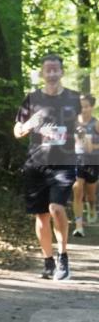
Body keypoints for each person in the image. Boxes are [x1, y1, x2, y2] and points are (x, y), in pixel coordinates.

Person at [13, 54, 80, 280]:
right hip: (36, 164)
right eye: (47, 70)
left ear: (61, 72)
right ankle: (48, 260)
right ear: (42, 73)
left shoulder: (74, 98)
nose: (51, 74)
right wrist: (30, 125)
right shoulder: (32, 99)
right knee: (41, 217)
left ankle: (63, 257)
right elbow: (17, 131)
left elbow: (85, 128)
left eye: (55, 70)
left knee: (56, 209)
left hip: (64, 163)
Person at [72, 93, 98, 237]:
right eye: (81, 107)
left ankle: (92, 207)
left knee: (90, 194)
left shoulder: (96, 123)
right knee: (77, 188)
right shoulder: (74, 122)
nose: (83, 110)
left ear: (92, 107)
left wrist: (92, 146)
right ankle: (79, 226)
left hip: (93, 161)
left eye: (86, 107)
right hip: (77, 159)